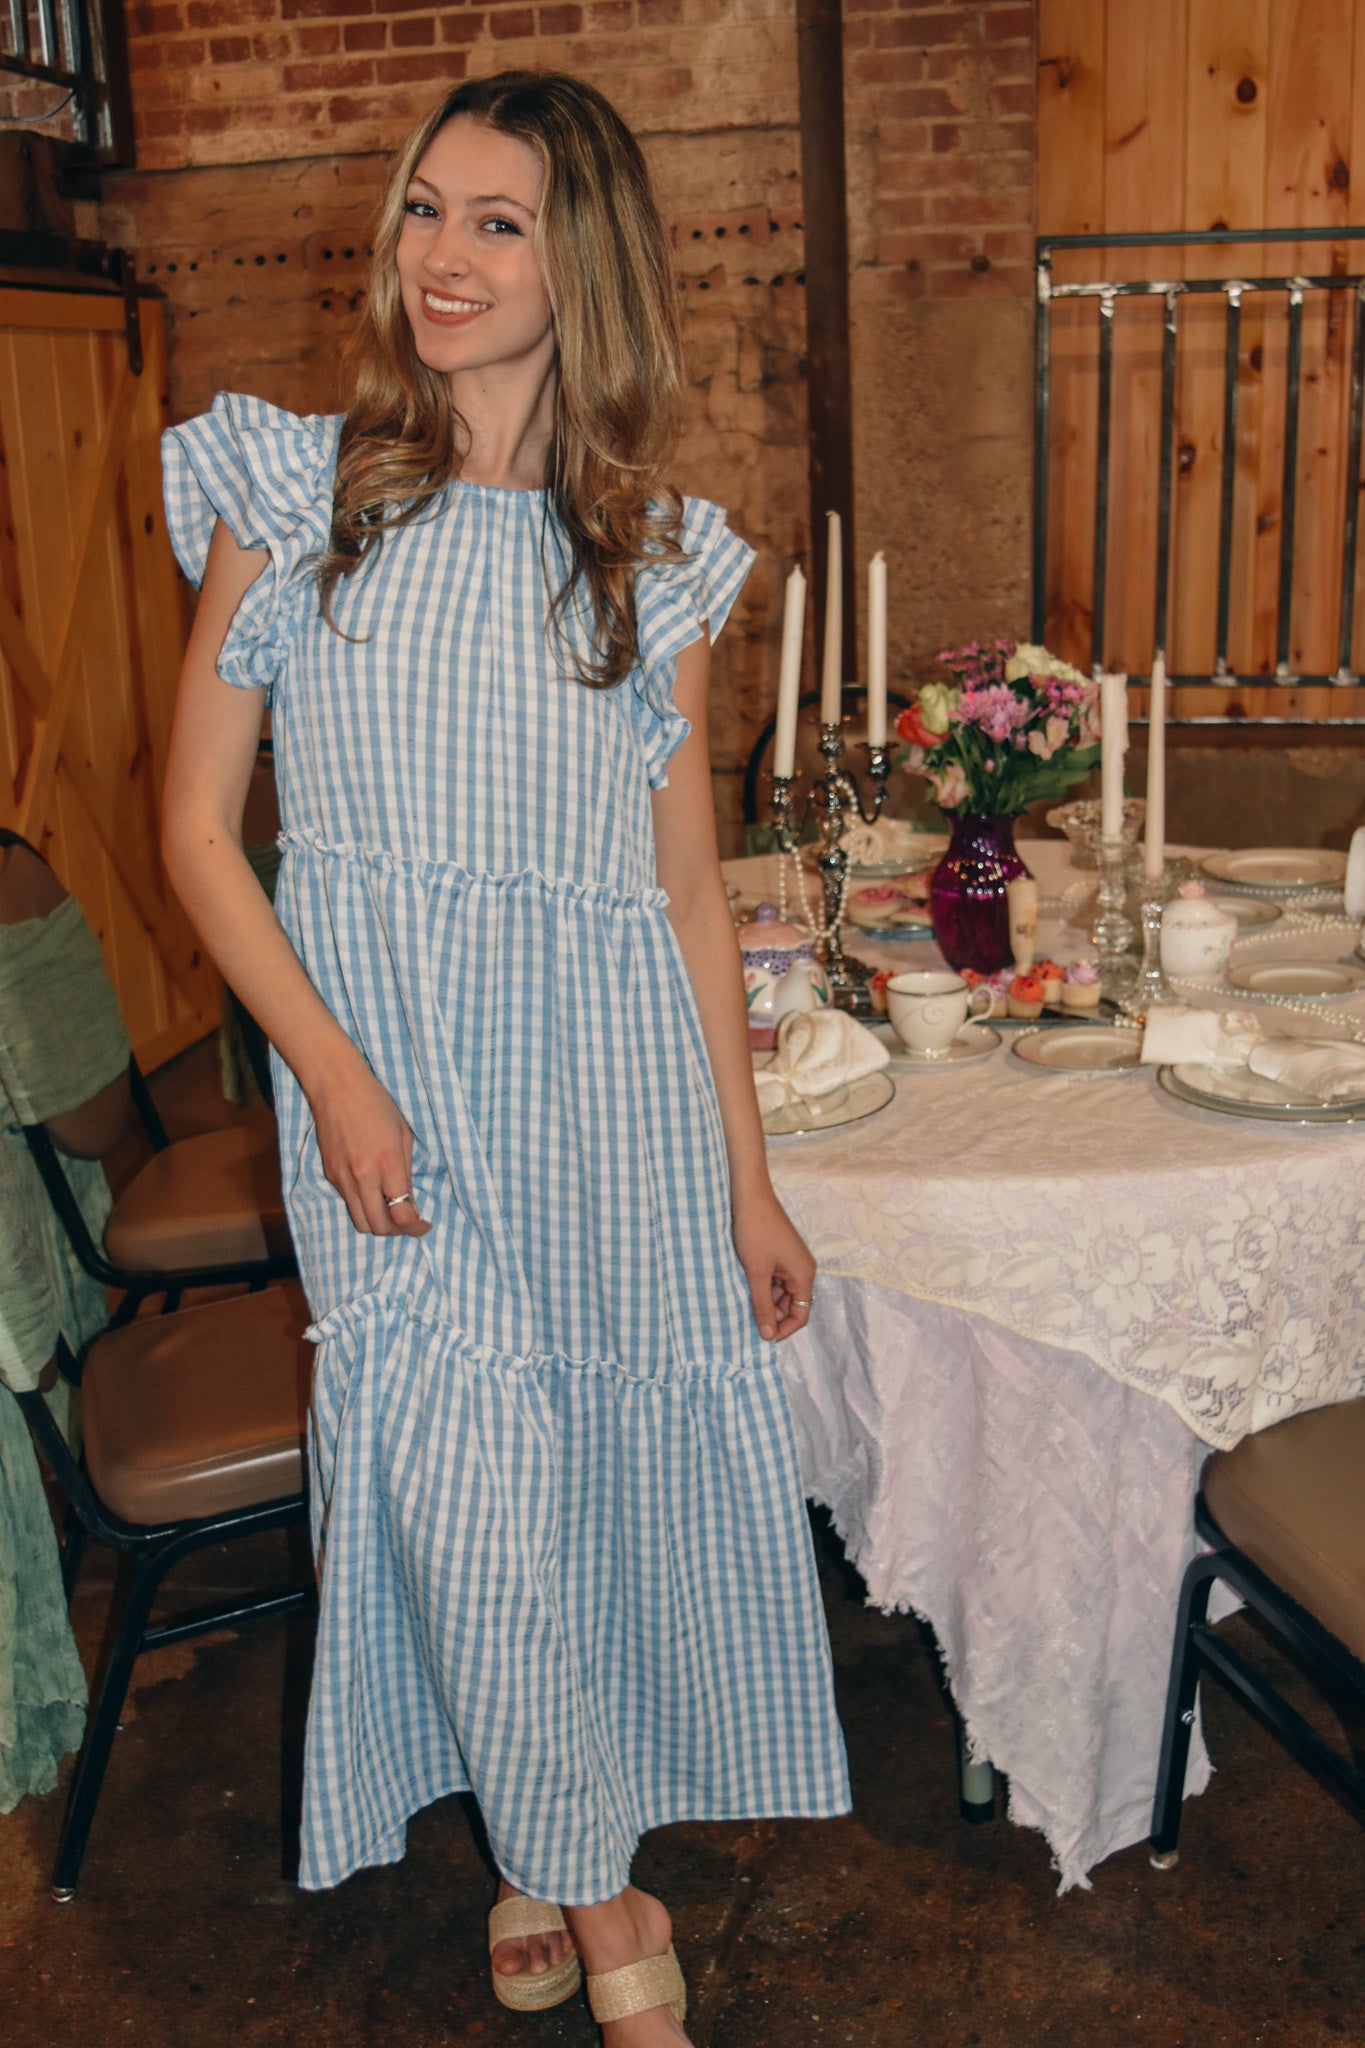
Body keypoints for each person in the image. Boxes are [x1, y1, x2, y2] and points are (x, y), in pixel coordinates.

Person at [160, 69, 849, 2046]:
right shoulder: (292, 490)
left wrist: (744, 1183)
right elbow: (194, 834)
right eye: (423, 210)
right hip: (382, 1100)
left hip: (601, 1106)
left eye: (496, 221)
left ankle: (540, 1846)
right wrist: (334, 1077)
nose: (440, 257)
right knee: (459, 1487)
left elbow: (685, 899)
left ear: (583, 263)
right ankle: (613, 1906)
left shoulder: (655, 555)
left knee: (575, 1495)